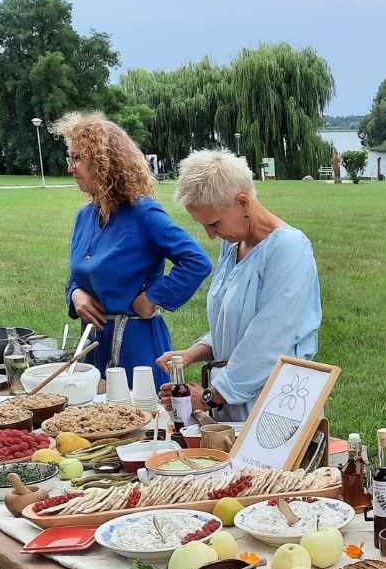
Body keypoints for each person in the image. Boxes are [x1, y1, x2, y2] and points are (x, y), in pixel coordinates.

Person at [157, 149, 321, 421]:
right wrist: (193, 353)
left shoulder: (289, 249)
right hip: (232, 405)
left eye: (214, 223)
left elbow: (269, 340)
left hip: (276, 410)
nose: (210, 235)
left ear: (243, 203)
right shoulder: (232, 244)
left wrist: (210, 396)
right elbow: (233, 323)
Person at [53, 112, 212, 387]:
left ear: (104, 162)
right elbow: (78, 275)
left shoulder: (143, 213)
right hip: (93, 346)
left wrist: (153, 296)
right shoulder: (84, 217)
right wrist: (75, 294)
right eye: (71, 158)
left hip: (137, 349)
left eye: (78, 158)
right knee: (92, 424)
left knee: (142, 422)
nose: (71, 167)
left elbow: (196, 260)